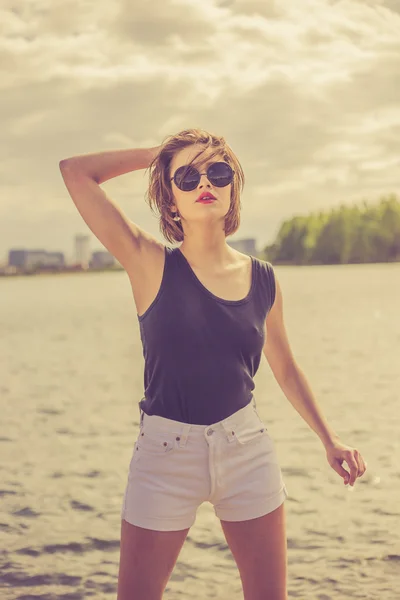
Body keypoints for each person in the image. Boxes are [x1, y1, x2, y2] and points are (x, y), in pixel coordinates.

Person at [59, 129, 367, 600]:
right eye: (186, 175)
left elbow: (285, 366)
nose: (204, 180)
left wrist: (330, 439)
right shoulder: (148, 262)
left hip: (246, 448)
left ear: (231, 189)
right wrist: (158, 156)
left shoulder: (262, 278)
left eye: (217, 171)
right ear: (170, 200)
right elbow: (75, 172)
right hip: (164, 456)